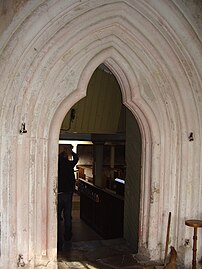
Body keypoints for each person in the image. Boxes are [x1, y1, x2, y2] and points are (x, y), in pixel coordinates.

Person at [57, 145, 79, 251]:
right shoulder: (69, 164)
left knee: (57, 217)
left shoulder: (58, 163)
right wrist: (71, 152)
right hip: (68, 193)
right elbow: (76, 159)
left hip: (59, 193)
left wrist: (63, 152)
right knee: (67, 215)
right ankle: (67, 236)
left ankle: (57, 238)